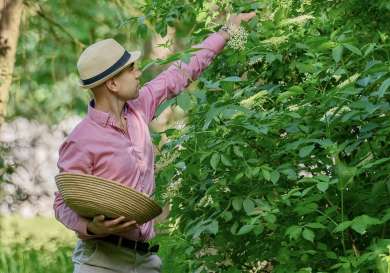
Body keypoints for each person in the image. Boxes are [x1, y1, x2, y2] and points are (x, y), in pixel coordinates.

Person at [53, 12, 256, 273]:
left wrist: (226, 32)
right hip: (100, 261)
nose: (139, 73)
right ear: (113, 83)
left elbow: (181, 71)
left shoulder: (139, 108)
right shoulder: (82, 140)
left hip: (145, 260)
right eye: (131, 69)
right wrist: (91, 228)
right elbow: (61, 203)